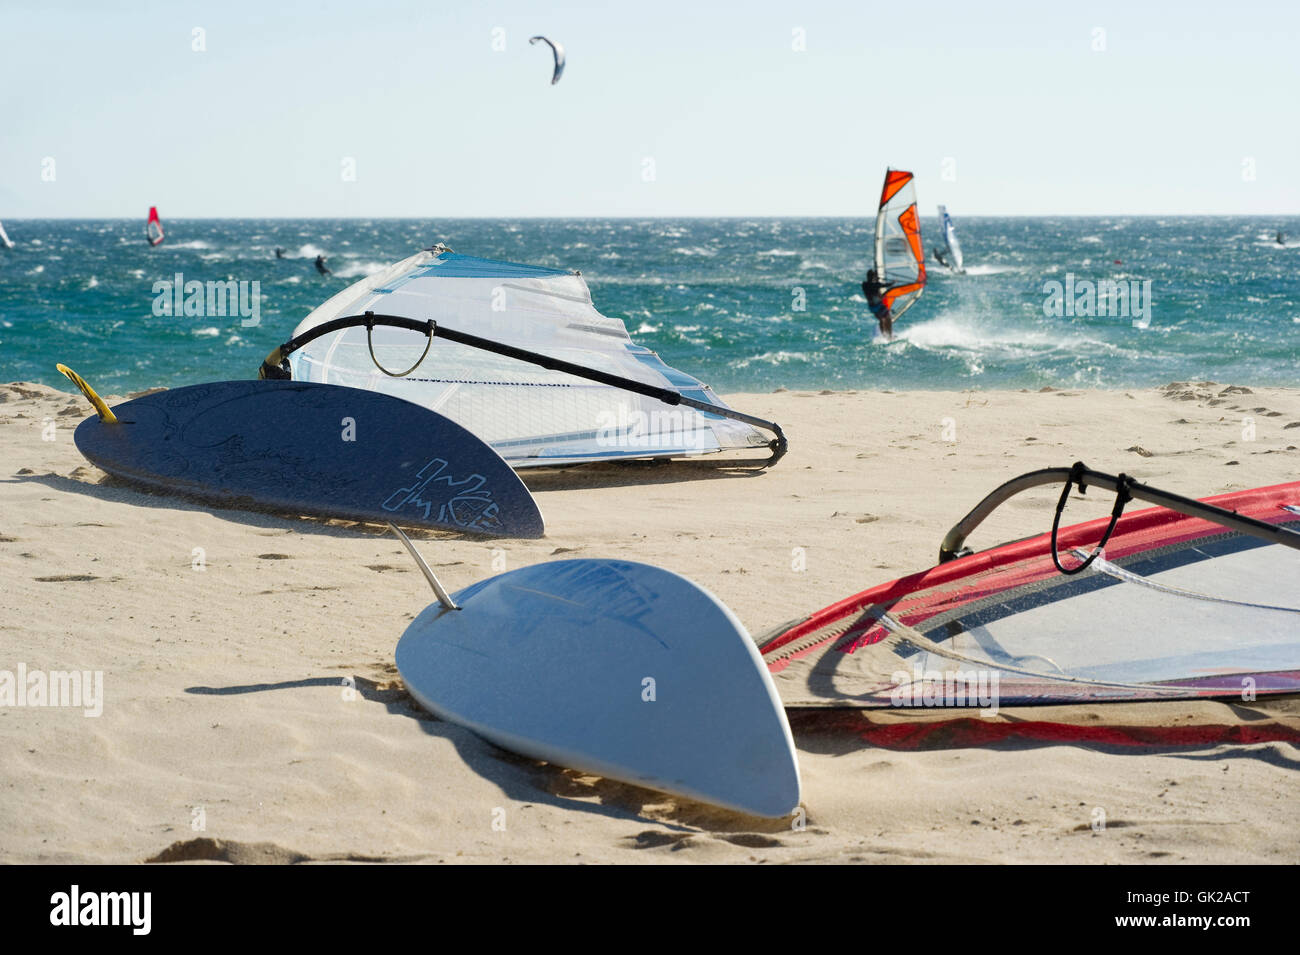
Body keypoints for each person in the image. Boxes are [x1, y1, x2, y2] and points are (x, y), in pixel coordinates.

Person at [861, 268, 893, 338]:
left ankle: (885, 336)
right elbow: (886, 285)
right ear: (873, 277)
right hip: (878, 306)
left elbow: (876, 287)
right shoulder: (874, 285)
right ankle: (889, 336)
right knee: (887, 318)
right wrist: (894, 282)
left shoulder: (864, 285)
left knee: (882, 319)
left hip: (872, 307)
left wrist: (876, 278)